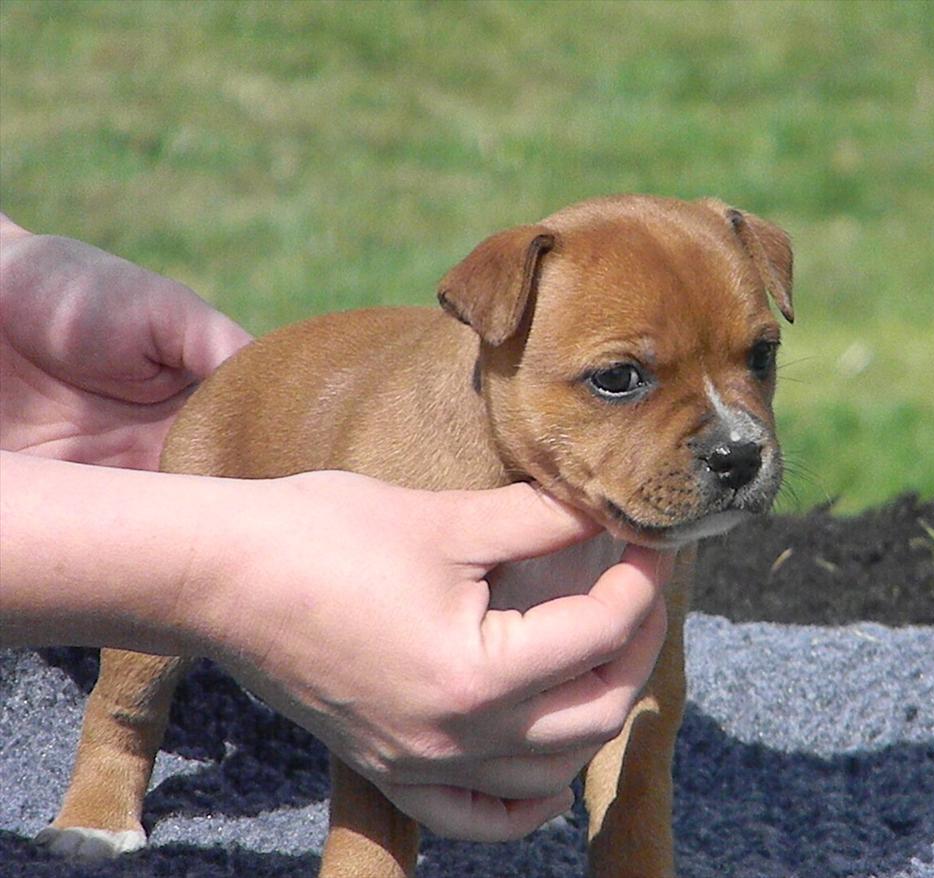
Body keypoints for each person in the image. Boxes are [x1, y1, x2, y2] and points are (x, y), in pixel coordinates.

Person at [0, 212, 672, 842]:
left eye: (759, 358)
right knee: (141, 664)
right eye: (618, 377)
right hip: (233, 436)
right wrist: (212, 573)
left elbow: (652, 696)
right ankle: (113, 750)